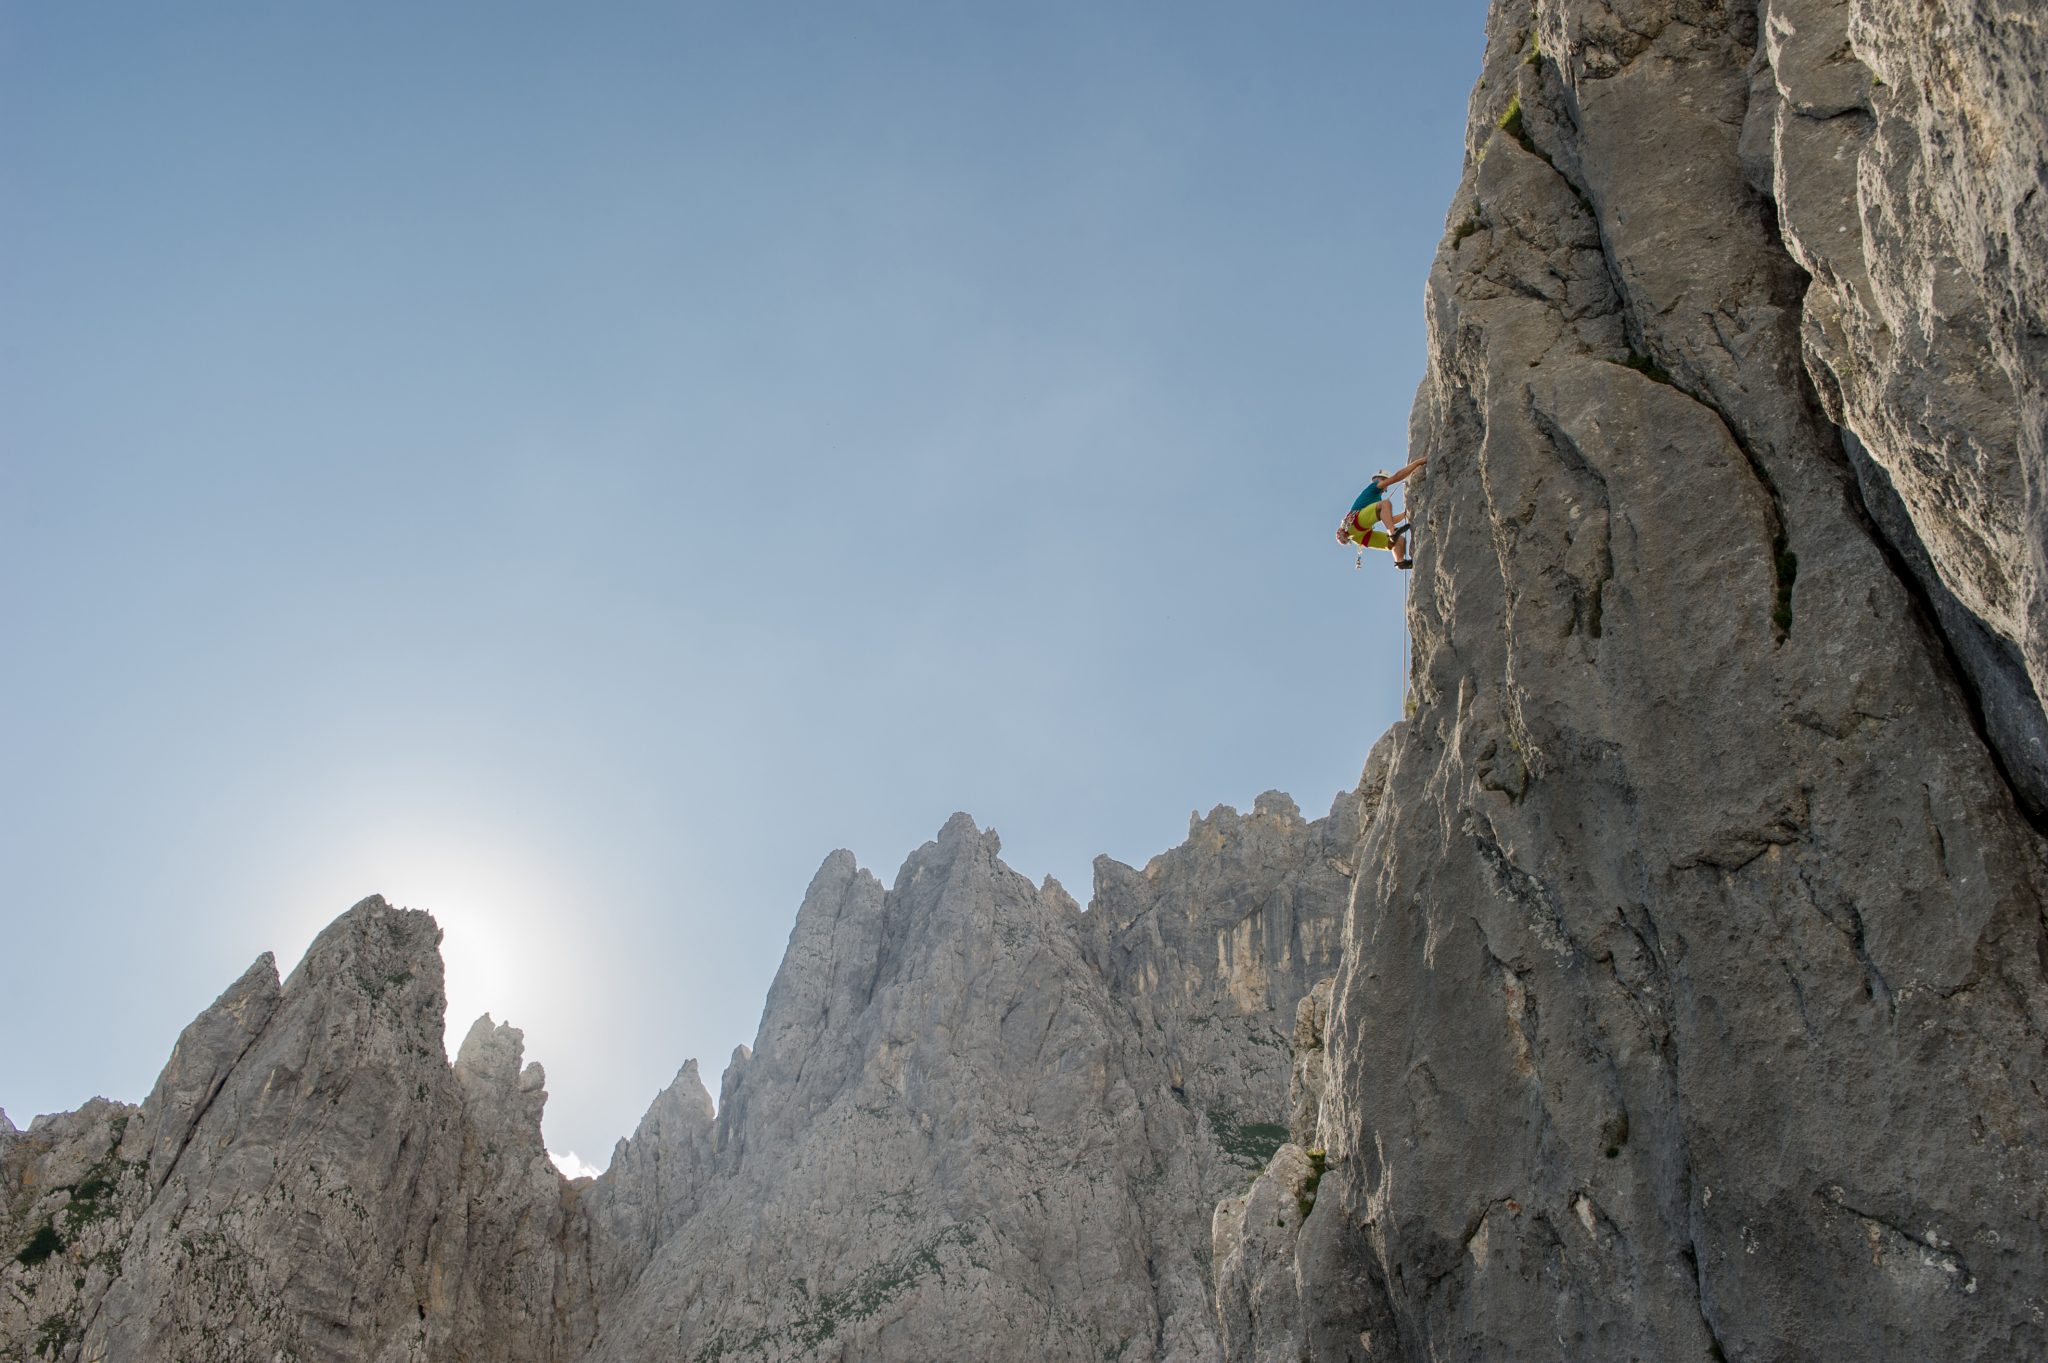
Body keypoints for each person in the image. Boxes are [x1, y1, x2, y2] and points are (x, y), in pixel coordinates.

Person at [1336, 456, 1427, 568]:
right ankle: (1392, 534)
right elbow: (1396, 477)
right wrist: (1418, 463)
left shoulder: (1377, 501)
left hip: (1358, 535)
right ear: (1382, 480)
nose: (1384, 484)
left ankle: (1400, 562)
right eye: (1383, 481)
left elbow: (1390, 520)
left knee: (1399, 541)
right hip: (1355, 523)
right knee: (1385, 505)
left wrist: (1405, 514)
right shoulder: (1374, 488)